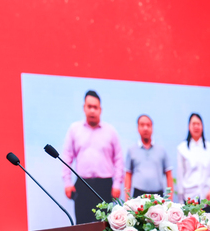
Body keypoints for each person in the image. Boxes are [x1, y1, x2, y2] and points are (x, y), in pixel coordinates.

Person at [62, 90, 124, 223]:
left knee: (105, 226)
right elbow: (67, 157)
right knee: (82, 227)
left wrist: (117, 184)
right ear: (84, 108)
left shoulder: (110, 131)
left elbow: (118, 159)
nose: (92, 110)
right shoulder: (74, 129)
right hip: (82, 185)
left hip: (105, 186)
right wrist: (67, 183)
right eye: (89, 106)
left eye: (95, 107)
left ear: (100, 109)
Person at [124, 114, 173, 198]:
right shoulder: (131, 150)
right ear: (137, 128)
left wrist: (170, 198)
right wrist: (127, 199)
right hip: (138, 194)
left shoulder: (161, 150)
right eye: (142, 125)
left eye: (148, 125)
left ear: (152, 128)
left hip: (157, 194)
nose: (145, 128)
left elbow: (169, 175)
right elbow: (128, 175)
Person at [177, 113, 210, 203]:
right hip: (189, 197)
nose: (196, 127)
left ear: (202, 126)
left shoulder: (208, 147)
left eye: (198, 124)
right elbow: (180, 175)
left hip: (207, 197)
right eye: (193, 124)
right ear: (189, 127)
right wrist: (181, 199)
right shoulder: (182, 148)